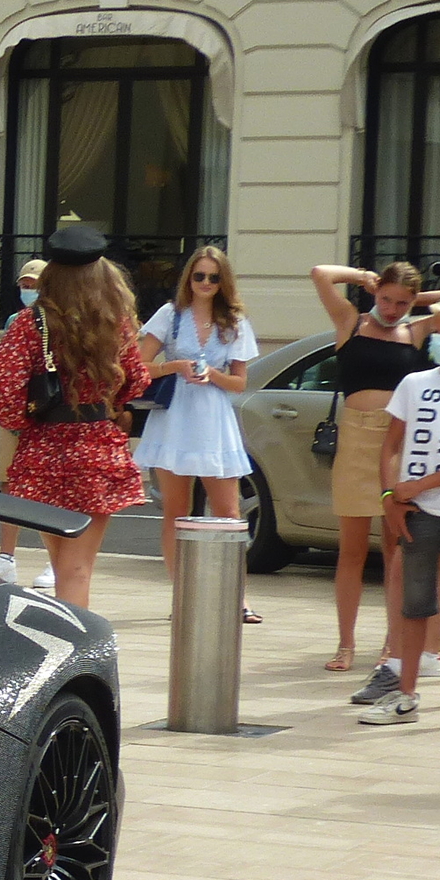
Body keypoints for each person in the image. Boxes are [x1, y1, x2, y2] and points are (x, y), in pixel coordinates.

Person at [0, 224, 149, 608]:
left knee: (64, 565)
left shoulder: (30, 322)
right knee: (76, 567)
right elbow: (136, 381)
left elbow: (6, 392)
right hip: (96, 446)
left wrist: (25, 421)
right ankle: (77, 654)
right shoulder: (114, 320)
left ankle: (69, 648)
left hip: (43, 447)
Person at [314, 261, 436, 694]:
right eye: (386, 298)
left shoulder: (415, 330)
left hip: (399, 444)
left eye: (402, 302)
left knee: (395, 549)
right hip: (356, 439)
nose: (392, 308)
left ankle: (391, 643)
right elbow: (318, 273)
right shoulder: (352, 320)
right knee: (351, 548)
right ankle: (346, 643)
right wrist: (361, 276)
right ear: (375, 292)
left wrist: (417, 303)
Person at [136, 246, 260, 616]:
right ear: (188, 278)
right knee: (175, 510)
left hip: (213, 420)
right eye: (199, 276)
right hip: (175, 417)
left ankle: (236, 597)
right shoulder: (170, 314)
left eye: (213, 277)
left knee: (228, 511)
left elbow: (240, 383)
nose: (205, 283)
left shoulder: (235, 321)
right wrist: (175, 365)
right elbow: (138, 365)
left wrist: (212, 375)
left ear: (224, 282)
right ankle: (182, 597)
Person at [364, 318, 440, 726]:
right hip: (418, 515)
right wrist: (391, 496)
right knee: (414, 607)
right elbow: (391, 445)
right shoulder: (414, 384)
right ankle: (405, 693)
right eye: (438, 332)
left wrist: (421, 484)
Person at [0, 258, 51, 580]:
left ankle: (55, 558)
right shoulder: (16, 320)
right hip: (16, 413)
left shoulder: (61, 319)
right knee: (8, 483)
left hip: (49, 412)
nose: (28, 290)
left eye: (34, 285)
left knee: (51, 486)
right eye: (24, 285)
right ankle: (6, 557)